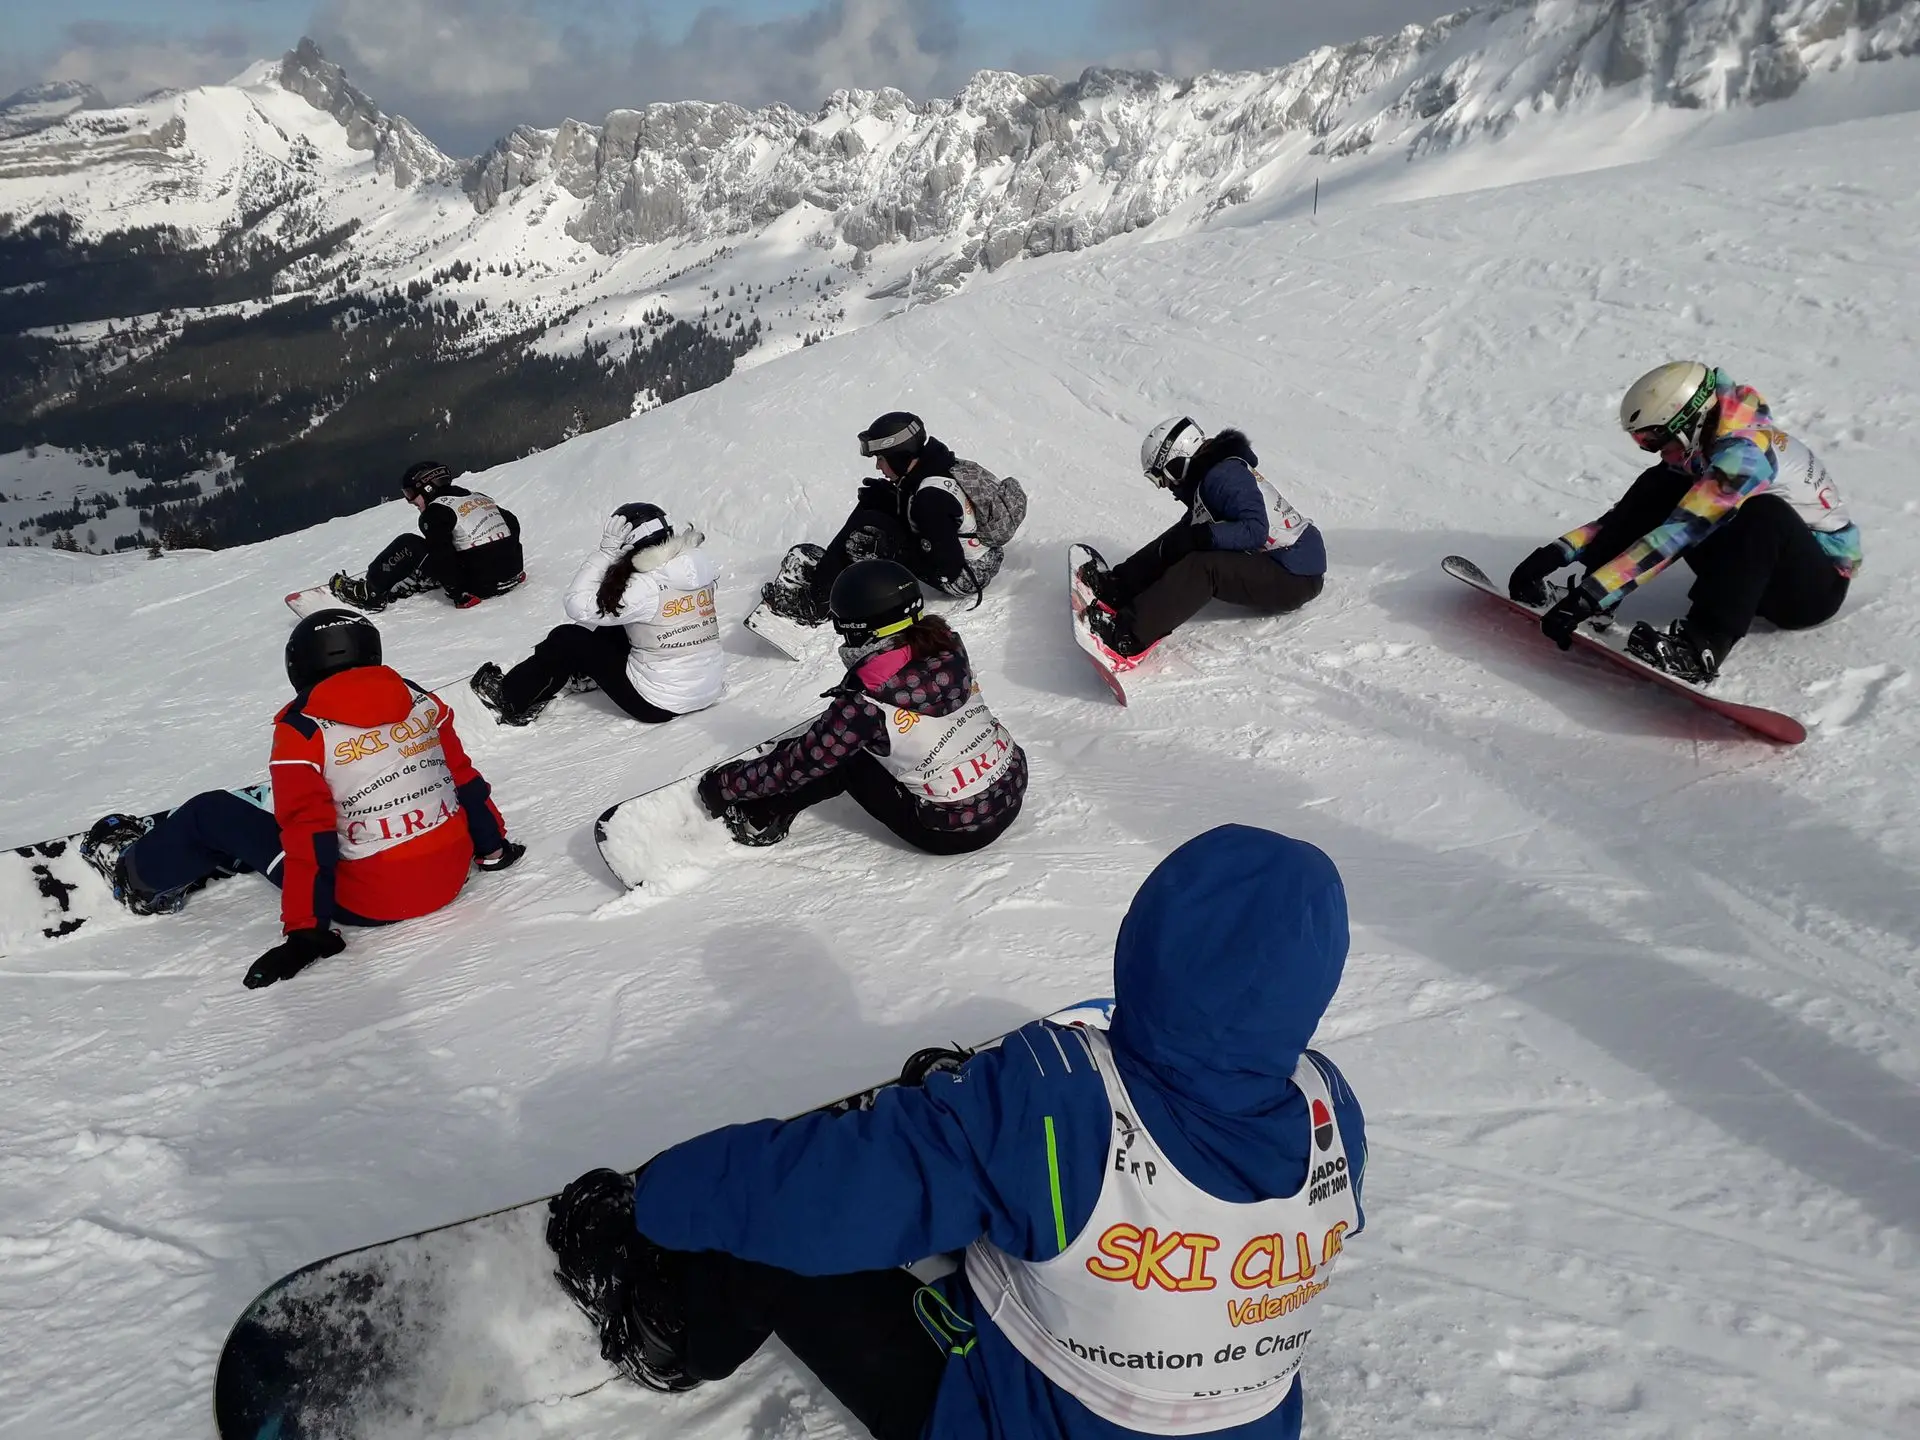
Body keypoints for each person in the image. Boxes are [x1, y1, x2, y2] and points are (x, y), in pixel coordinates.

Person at [546, 824, 1366, 1440]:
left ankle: (671, 1333)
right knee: (1020, 1196)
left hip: (1015, 1420)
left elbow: (815, 1199)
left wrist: (657, 1193)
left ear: (1148, 937)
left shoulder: (1056, 1101)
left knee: (784, 1226)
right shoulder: (1331, 1109)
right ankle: (963, 1168)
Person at [79, 610, 524, 989]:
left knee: (209, 811)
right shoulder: (420, 700)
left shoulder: (303, 730)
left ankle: (136, 877)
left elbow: (311, 835)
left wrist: (306, 933)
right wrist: (492, 848)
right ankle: (229, 850)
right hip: (450, 874)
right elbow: (464, 780)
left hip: (370, 901)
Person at [1508, 362, 1862, 682]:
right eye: (1641, 440)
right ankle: (1599, 604)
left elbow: (1681, 532)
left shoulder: (1746, 454)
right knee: (1661, 483)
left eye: (1652, 439)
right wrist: (1559, 553)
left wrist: (1590, 596)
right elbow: (1630, 515)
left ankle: (1702, 646)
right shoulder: (1706, 440)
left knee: (1762, 513)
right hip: (1756, 568)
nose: (1652, 449)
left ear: (1688, 421)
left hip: (1809, 591)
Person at [698, 558, 1026, 854]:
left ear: (857, 629)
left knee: (844, 759)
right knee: (854, 737)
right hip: (1008, 786)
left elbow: (799, 765)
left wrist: (724, 786)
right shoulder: (946, 646)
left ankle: (760, 816)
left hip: (954, 830)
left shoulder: (866, 701)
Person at [1078, 418, 1327, 661]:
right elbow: (1187, 536)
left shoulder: (1225, 476)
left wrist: (1201, 537)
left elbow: (1255, 530)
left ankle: (1127, 636)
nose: (1164, 486)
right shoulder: (1211, 478)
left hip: (1296, 574)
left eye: (1160, 477)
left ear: (1177, 463)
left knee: (1204, 568)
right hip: (1278, 561)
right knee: (1181, 537)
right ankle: (1117, 589)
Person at [758, 412, 1025, 626]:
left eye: (881, 458)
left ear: (899, 457)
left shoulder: (930, 499)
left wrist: (894, 548)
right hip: (971, 553)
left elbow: (948, 569)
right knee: (873, 503)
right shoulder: (934, 465)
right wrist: (892, 500)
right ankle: (827, 576)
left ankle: (815, 606)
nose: (878, 466)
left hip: (966, 575)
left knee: (868, 527)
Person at [470, 503, 724, 727]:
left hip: (659, 703)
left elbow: (577, 604)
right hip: (707, 688)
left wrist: (605, 554)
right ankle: (583, 673)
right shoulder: (697, 567)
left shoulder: (645, 585)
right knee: (615, 628)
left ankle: (509, 696)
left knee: (567, 639)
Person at [329, 461, 526, 612]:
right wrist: (513, 568)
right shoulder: (478, 497)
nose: (410, 501)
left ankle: (368, 592)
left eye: (410, 493)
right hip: (511, 574)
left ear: (427, 487)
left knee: (409, 544)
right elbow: (512, 523)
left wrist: (458, 594)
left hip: (480, 586)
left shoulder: (435, 512)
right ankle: (430, 577)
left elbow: (442, 554)